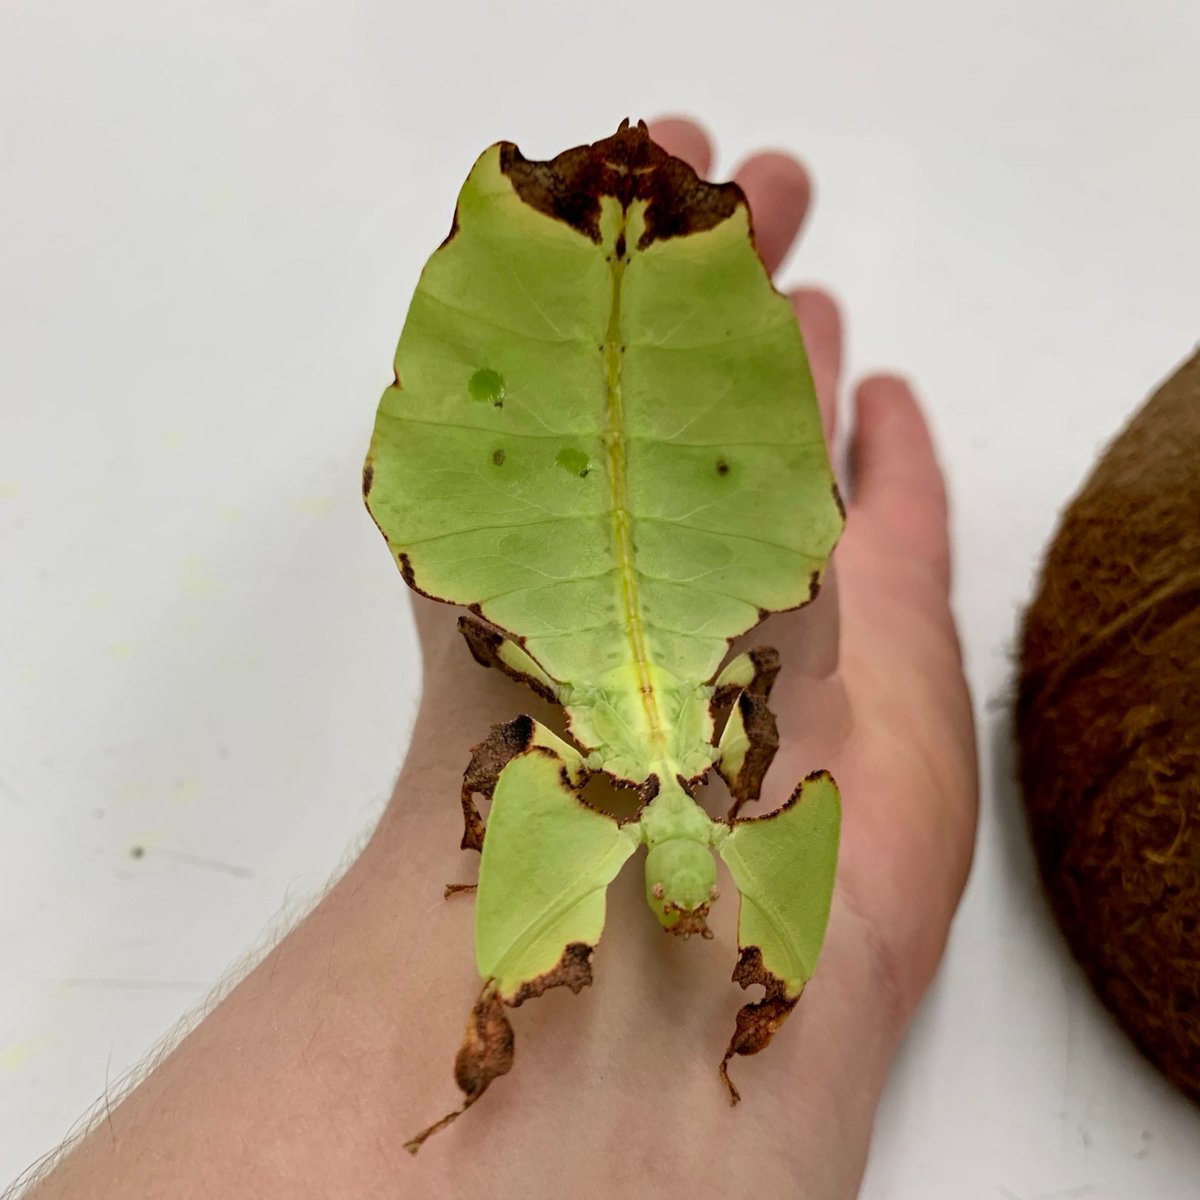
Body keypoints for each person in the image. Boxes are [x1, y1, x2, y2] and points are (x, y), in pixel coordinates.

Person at [18, 116, 977, 1200]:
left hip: (596, 466)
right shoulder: (678, 733)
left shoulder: (637, 737)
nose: (685, 905)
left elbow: (533, 749)